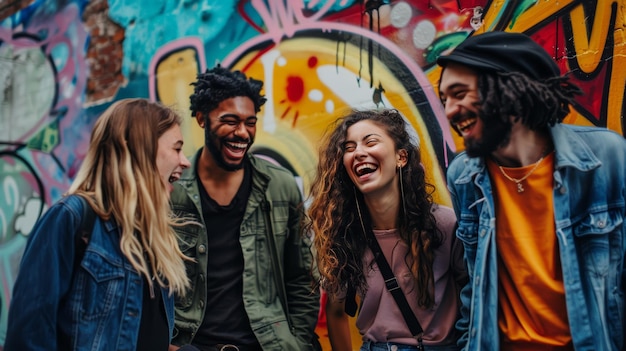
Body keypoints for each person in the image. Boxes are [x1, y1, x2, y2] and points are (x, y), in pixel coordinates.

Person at [437, 31, 626, 351]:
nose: (450, 111)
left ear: (509, 88)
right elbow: (475, 283)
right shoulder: (464, 176)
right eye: (444, 100)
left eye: (459, 93)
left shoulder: (606, 158)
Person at [5, 98, 192, 350]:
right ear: (139, 149)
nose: (185, 161)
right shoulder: (72, 218)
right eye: (177, 148)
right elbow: (29, 336)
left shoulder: (154, 237)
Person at [169, 65, 320, 351]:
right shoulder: (172, 191)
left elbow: (303, 279)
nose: (243, 133)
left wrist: (296, 343)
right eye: (230, 121)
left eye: (250, 122)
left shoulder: (280, 187)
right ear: (202, 119)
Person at [308, 109, 467, 351]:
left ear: (401, 158)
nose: (358, 153)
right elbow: (336, 310)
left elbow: (476, 299)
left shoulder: (445, 224)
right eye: (349, 148)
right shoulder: (346, 233)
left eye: (370, 142)